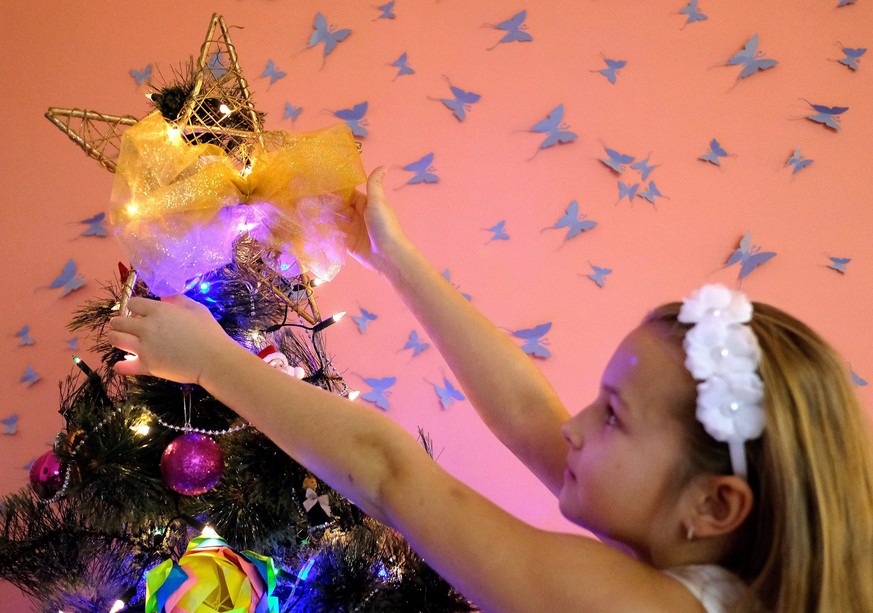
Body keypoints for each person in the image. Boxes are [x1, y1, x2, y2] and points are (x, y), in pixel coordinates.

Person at [109, 167, 873, 612]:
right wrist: (392, 257)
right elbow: (524, 412)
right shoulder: (713, 578)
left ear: (711, 505)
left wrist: (211, 361)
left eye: (613, 417)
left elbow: (389, 472)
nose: (573, 426)